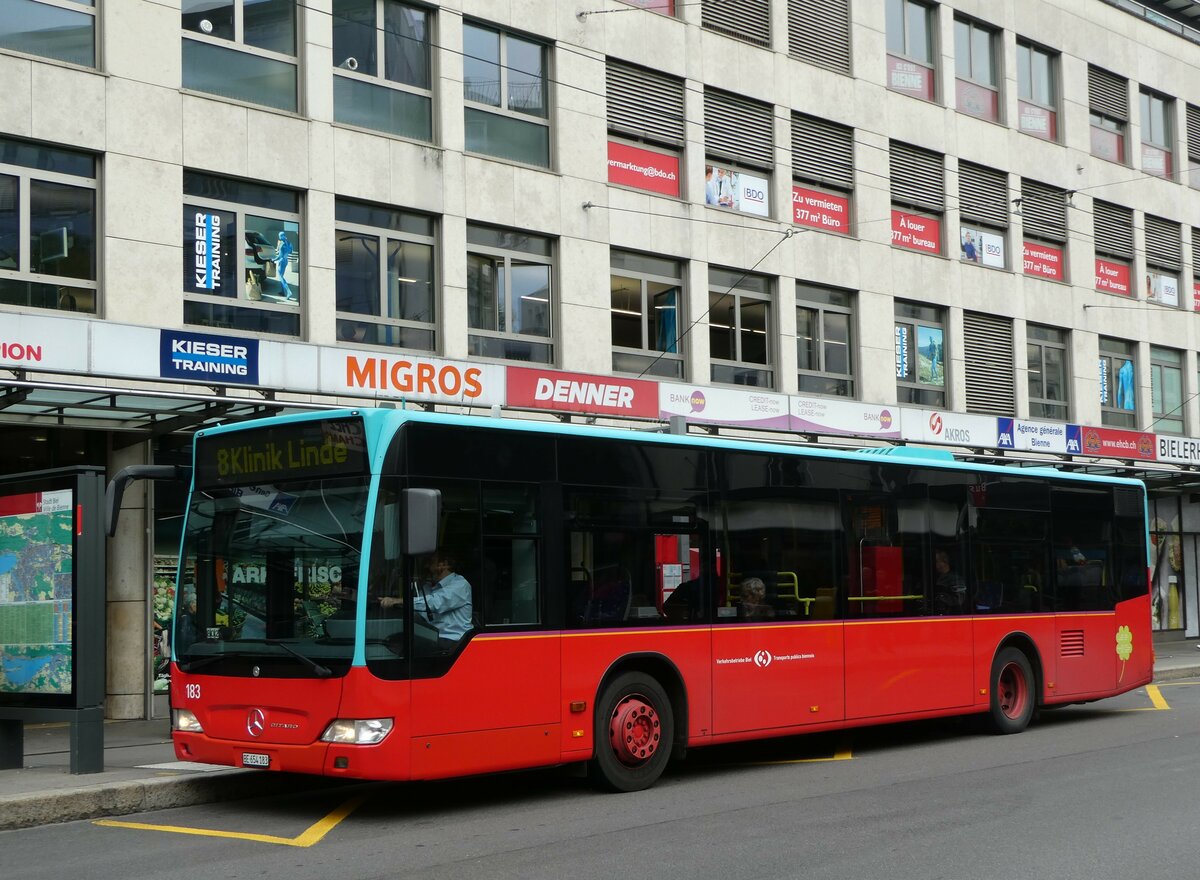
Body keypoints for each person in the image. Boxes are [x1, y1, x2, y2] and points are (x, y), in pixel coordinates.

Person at [380, 551, 473, 646]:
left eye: (430, 562)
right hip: (432, 636)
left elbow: (434, 603)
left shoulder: (460, 584)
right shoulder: (428, 587)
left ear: (444, 564)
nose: (426, 566)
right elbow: (418, 611)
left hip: (454, 640)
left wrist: (399, 601)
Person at [275, 230, 295, 301]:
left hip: (281, 261)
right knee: (282, 276)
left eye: (279, 235)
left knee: (280, 277)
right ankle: (283, 292)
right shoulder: (289, 243)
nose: (279, 237)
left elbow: (280, 256)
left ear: (281, 236)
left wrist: (273, 259)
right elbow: (291, 251)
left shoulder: (281, 244)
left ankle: (288, 292)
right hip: (286, 261)